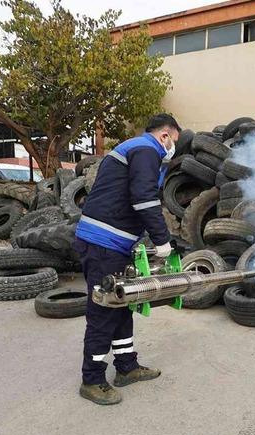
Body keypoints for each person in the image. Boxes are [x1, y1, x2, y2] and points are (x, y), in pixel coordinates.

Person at [73, 114, 181, 405]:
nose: (172, 150)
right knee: (105, 308)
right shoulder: (146, 150)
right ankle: (92, 379)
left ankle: (126, 367)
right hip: (101, 244)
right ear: (164, 136)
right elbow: (144, 199)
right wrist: (162, 241)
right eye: (174, 141)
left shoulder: (135, 149)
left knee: (122, 304)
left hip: (113, 244)